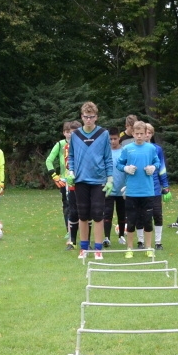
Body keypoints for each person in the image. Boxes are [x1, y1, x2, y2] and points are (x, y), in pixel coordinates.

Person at [68, 101, 115, 260]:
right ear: (81, 117)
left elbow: (108, 158)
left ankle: (98, 249)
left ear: (96, 117)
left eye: (91, 117)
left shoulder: (103, 134)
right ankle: (83, 248)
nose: (88, 120)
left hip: (98, 180)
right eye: (86, 117)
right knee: (82, 216)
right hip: (80, 180)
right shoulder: (75, 135)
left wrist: (110, 179)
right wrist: (71, 172)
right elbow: (72, 157)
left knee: (97, 215)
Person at [115, 120, 159, 258]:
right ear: (133, 133)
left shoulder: (151, 148)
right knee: (131, 220)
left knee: (147, 220)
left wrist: (153, 168)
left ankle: (148, 247)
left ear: (146, 134)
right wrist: (126, 168)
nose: (139, 136)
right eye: (137, 133)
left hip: (147, 190)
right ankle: (129, 248)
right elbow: (119, 164)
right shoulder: (127, 149)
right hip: (132, 190)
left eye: (142, 133)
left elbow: (157, 162)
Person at [45, 120, 80, 246]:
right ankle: (69, 230)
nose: (69, 134)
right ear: (64, 133)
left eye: (71, 132)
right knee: (67, 206)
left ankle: (79, 230)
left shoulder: (79, 144)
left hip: (79, 179)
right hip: (65, 180)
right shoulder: (60, 145)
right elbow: (49, 160)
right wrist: (55, 176)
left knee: (80, 206)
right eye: (67, 132)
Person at [141, 123, 170, 250]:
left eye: (149, 132)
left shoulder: (157, 149)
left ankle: (158, 242)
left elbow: (161, 168)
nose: (146, 135)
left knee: (157, 214)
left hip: (155, 188)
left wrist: (165, 186)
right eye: (144, 132)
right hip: (140, 188)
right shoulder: (135, 148)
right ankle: (141, 241)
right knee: (141, 215)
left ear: (151, 134)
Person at [103, 133, 129, 245]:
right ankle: (107, 237)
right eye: (111, 139)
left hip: (121, 189)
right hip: (109, 188)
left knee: (122, 214)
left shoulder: (124, 151)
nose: (113, 141)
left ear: (119, 138)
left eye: (115, 139)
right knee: (107, 213)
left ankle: (121, 236)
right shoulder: (105, 152)